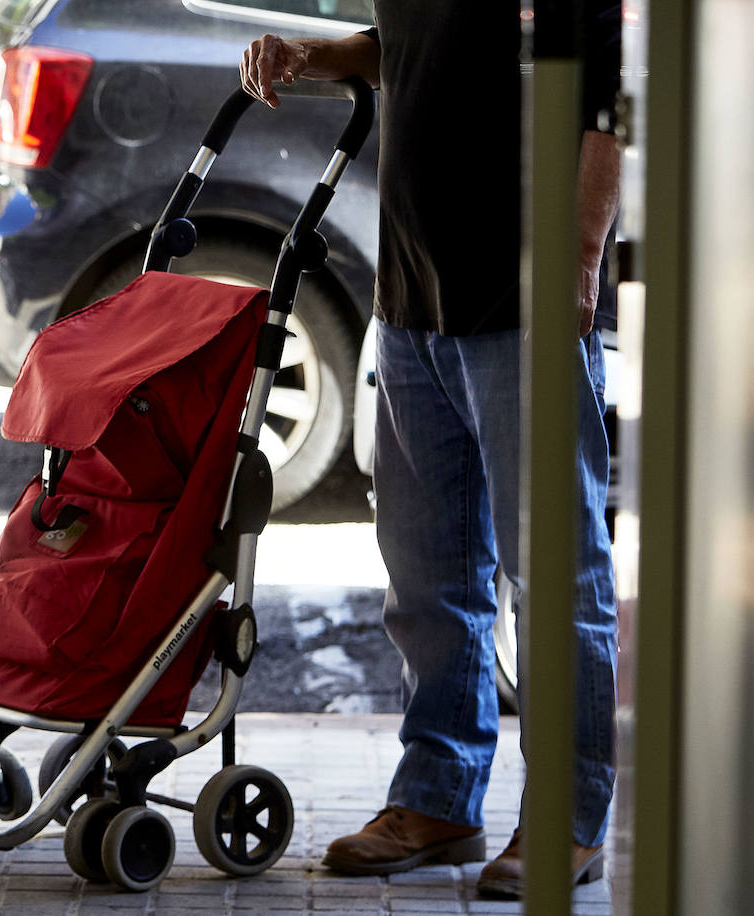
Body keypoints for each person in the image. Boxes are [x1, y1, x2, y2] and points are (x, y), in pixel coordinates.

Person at [241, 3, 621, 900]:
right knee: (426, 579)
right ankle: (439, 797)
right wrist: (313, 54)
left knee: (554, 578)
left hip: (521, 297)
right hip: (413, 298)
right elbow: (408, 49)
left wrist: (578, 260)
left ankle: (567, 821)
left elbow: (605, 106)